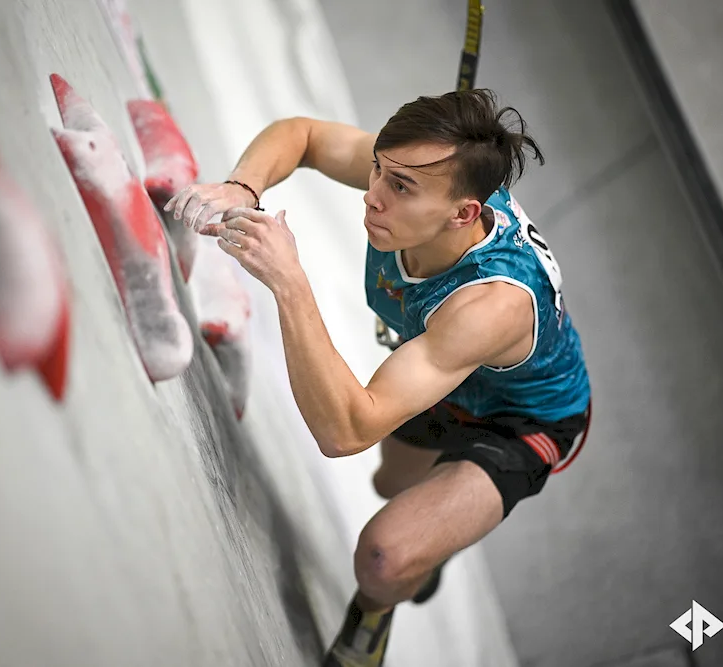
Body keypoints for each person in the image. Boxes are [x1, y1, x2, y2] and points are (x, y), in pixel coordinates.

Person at [164, 88, 591, 667]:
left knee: (385, 558)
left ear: (463, 214)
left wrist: (290, 283)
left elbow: (345, 431)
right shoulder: (424, 173)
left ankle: (372, 618)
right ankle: (428, 546)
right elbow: (306, 135)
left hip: (524, 419)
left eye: (399, 187)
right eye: (378, 171)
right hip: (448, 372)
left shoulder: (490, 306)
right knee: (391, 486)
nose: (371, 196)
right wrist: (244, 185)